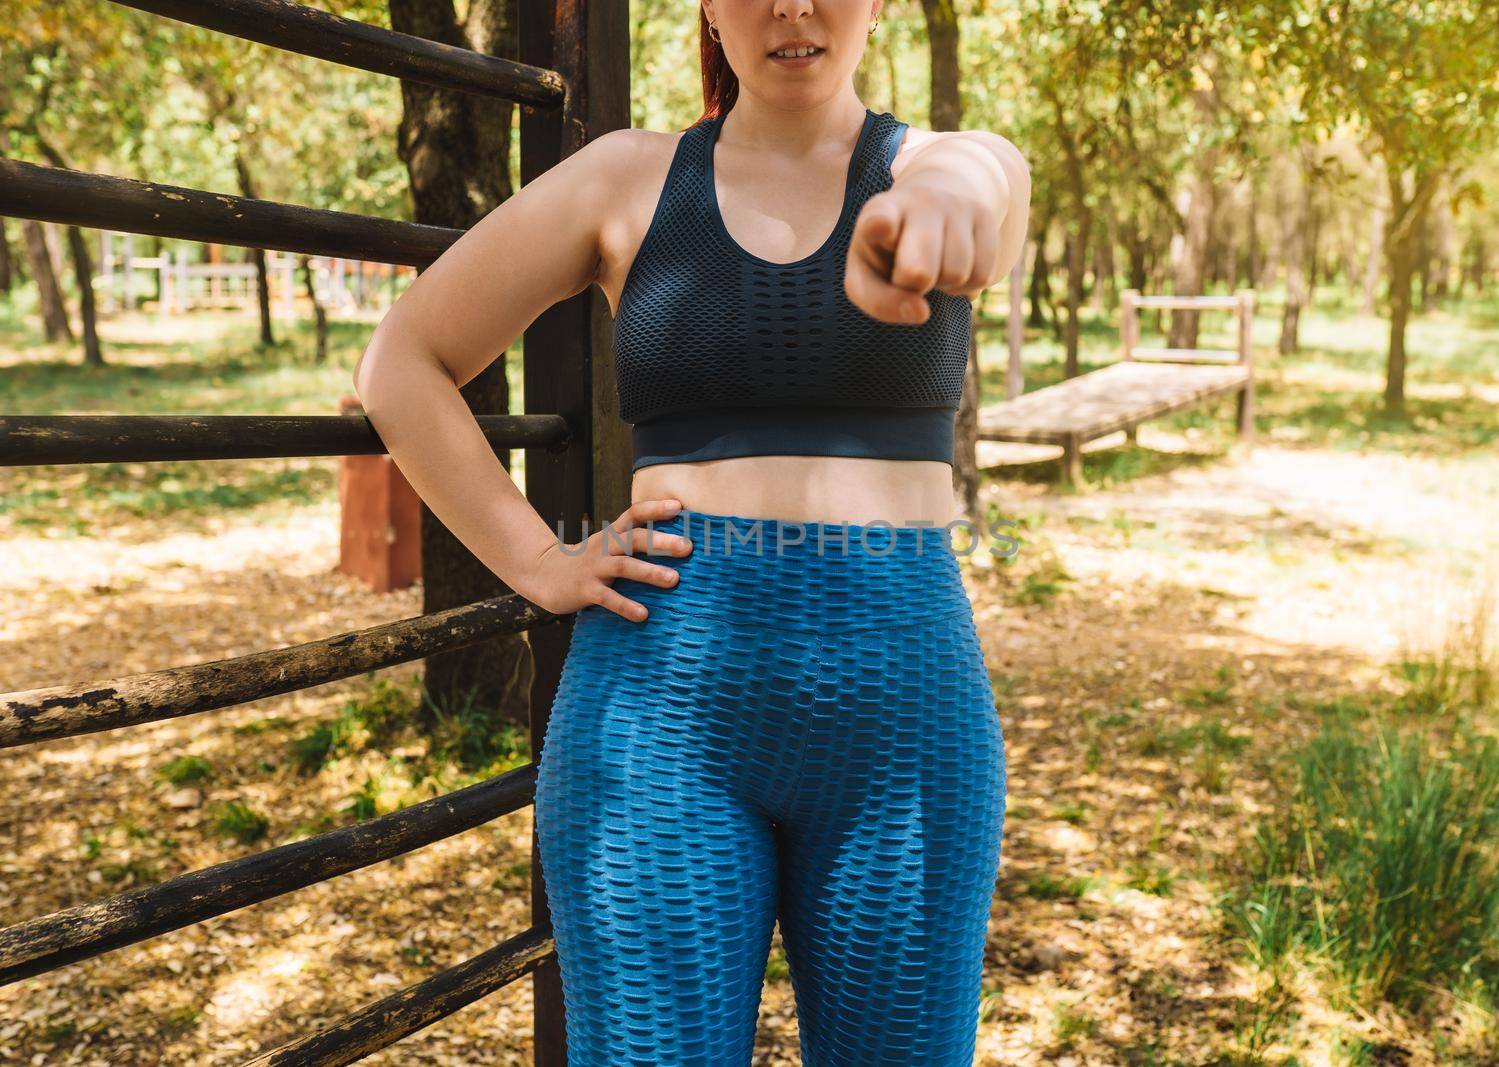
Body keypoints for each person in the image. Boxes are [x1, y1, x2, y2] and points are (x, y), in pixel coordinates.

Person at [353, 0, 1031, 1061]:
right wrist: (539, 560)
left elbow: (980, 185)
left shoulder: (943, 161)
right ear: (710, 6)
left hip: (905, 728)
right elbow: (403, 361)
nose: (793, 9)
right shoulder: (625, 177)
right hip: (658, 725)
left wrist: (942, 200)